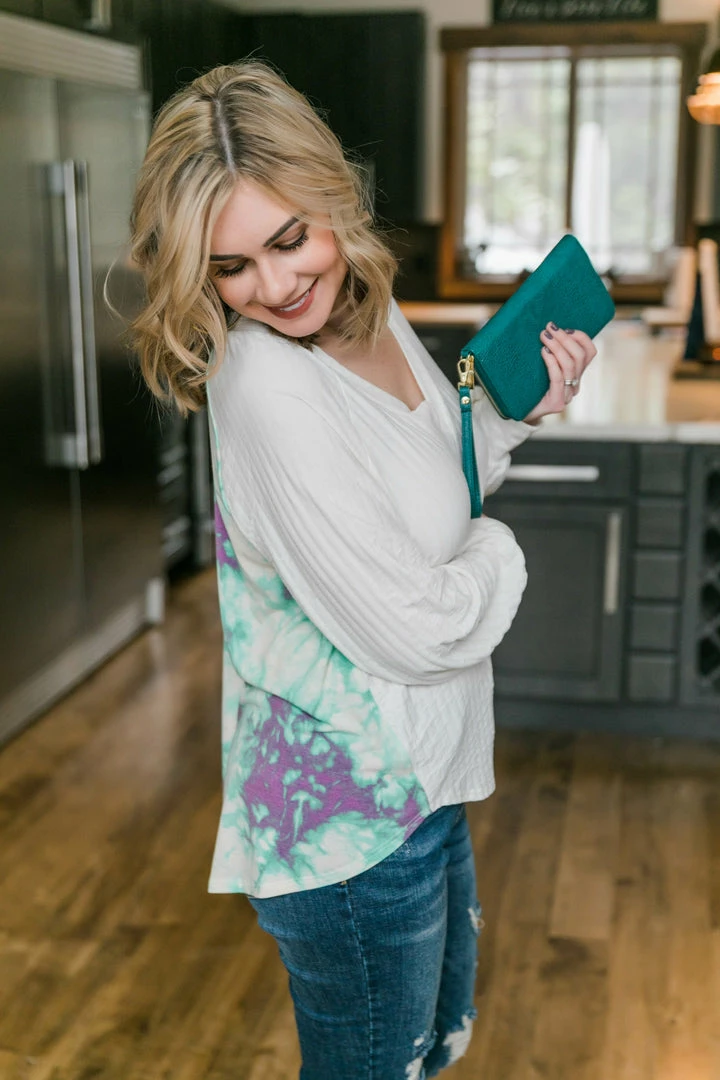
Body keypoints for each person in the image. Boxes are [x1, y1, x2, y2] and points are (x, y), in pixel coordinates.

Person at [129, 60, 596, 1080]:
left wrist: (513, 414)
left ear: (331, 195)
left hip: (420, 781)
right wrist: (500, 550)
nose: (275, 286)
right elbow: (418, 629)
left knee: (427, 1053)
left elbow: (429, 496)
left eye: (289, 238)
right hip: (352, 826)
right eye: (231, 267)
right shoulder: (266, 384)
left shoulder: (367, 310)